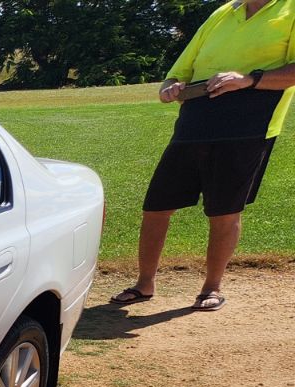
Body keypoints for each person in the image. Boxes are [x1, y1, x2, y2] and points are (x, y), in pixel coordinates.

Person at [112, 0, 295, 312]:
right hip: (195, 124)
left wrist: (248, 79)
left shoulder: (289, 10)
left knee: (224, 211)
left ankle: (211, 288)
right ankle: (144, 284)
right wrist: (170, 87)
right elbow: (179, 71)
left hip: (248, 127)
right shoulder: (223, 12)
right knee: (157, 205)